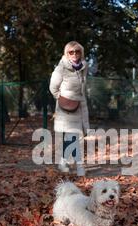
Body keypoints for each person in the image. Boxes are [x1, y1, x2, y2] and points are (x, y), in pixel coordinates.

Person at [49, 41, 90, 176]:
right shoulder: (60, 69)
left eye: (77, 51)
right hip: (65, 109)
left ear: (81, 53)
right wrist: (63, 99)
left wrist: (86, 120)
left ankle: (63, 161)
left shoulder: (84, 67)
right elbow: (53, 88)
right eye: (71, 52)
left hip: (78, 107)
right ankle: (79, 167)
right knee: (74, 137)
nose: (74, 54)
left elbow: (82, 92)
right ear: (66, 54)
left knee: (74, 138)